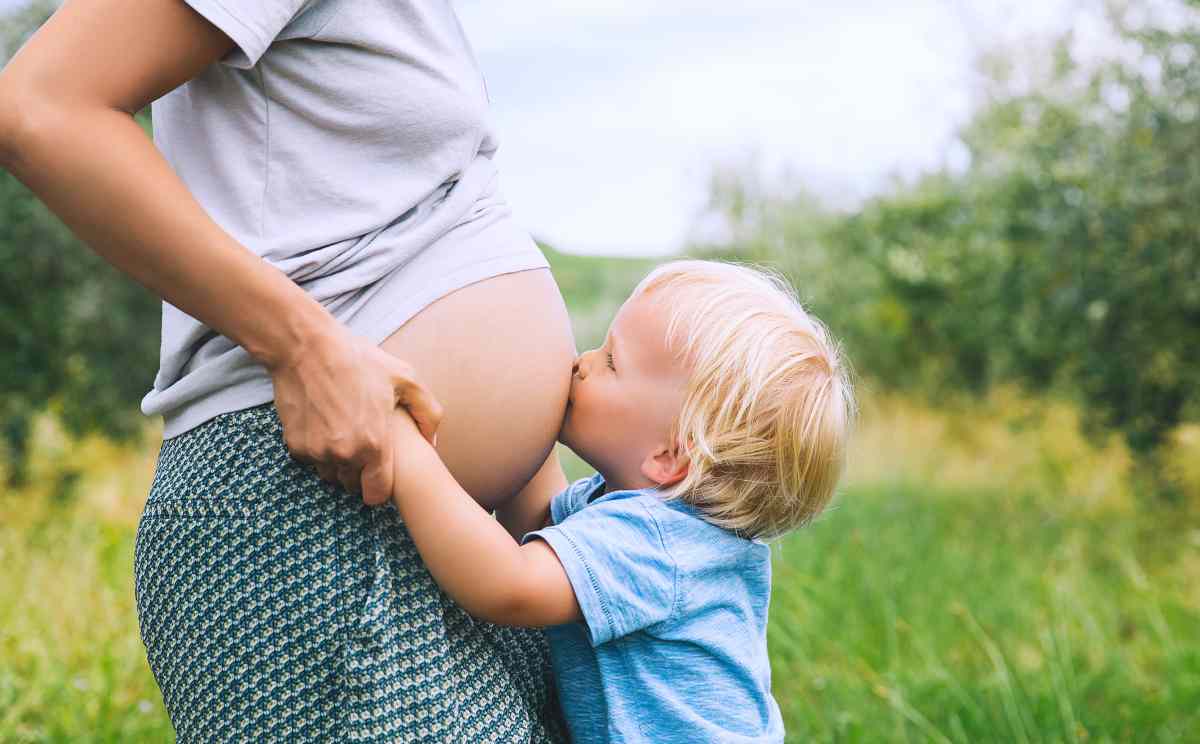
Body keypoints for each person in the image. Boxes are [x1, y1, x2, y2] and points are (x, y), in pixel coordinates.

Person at [0, 0, 575, 741]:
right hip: (308, 513)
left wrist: (534, 484)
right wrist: (302, 346)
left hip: (455, 540)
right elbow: (43, 108)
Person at [386, 259, 857, 743]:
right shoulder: (639, 515)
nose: (582, 363)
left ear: (668, 455)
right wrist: (525, 398)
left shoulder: (656, 542)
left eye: (611, 362)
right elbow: (535, 520)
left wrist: (402, 441)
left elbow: (510, 584)